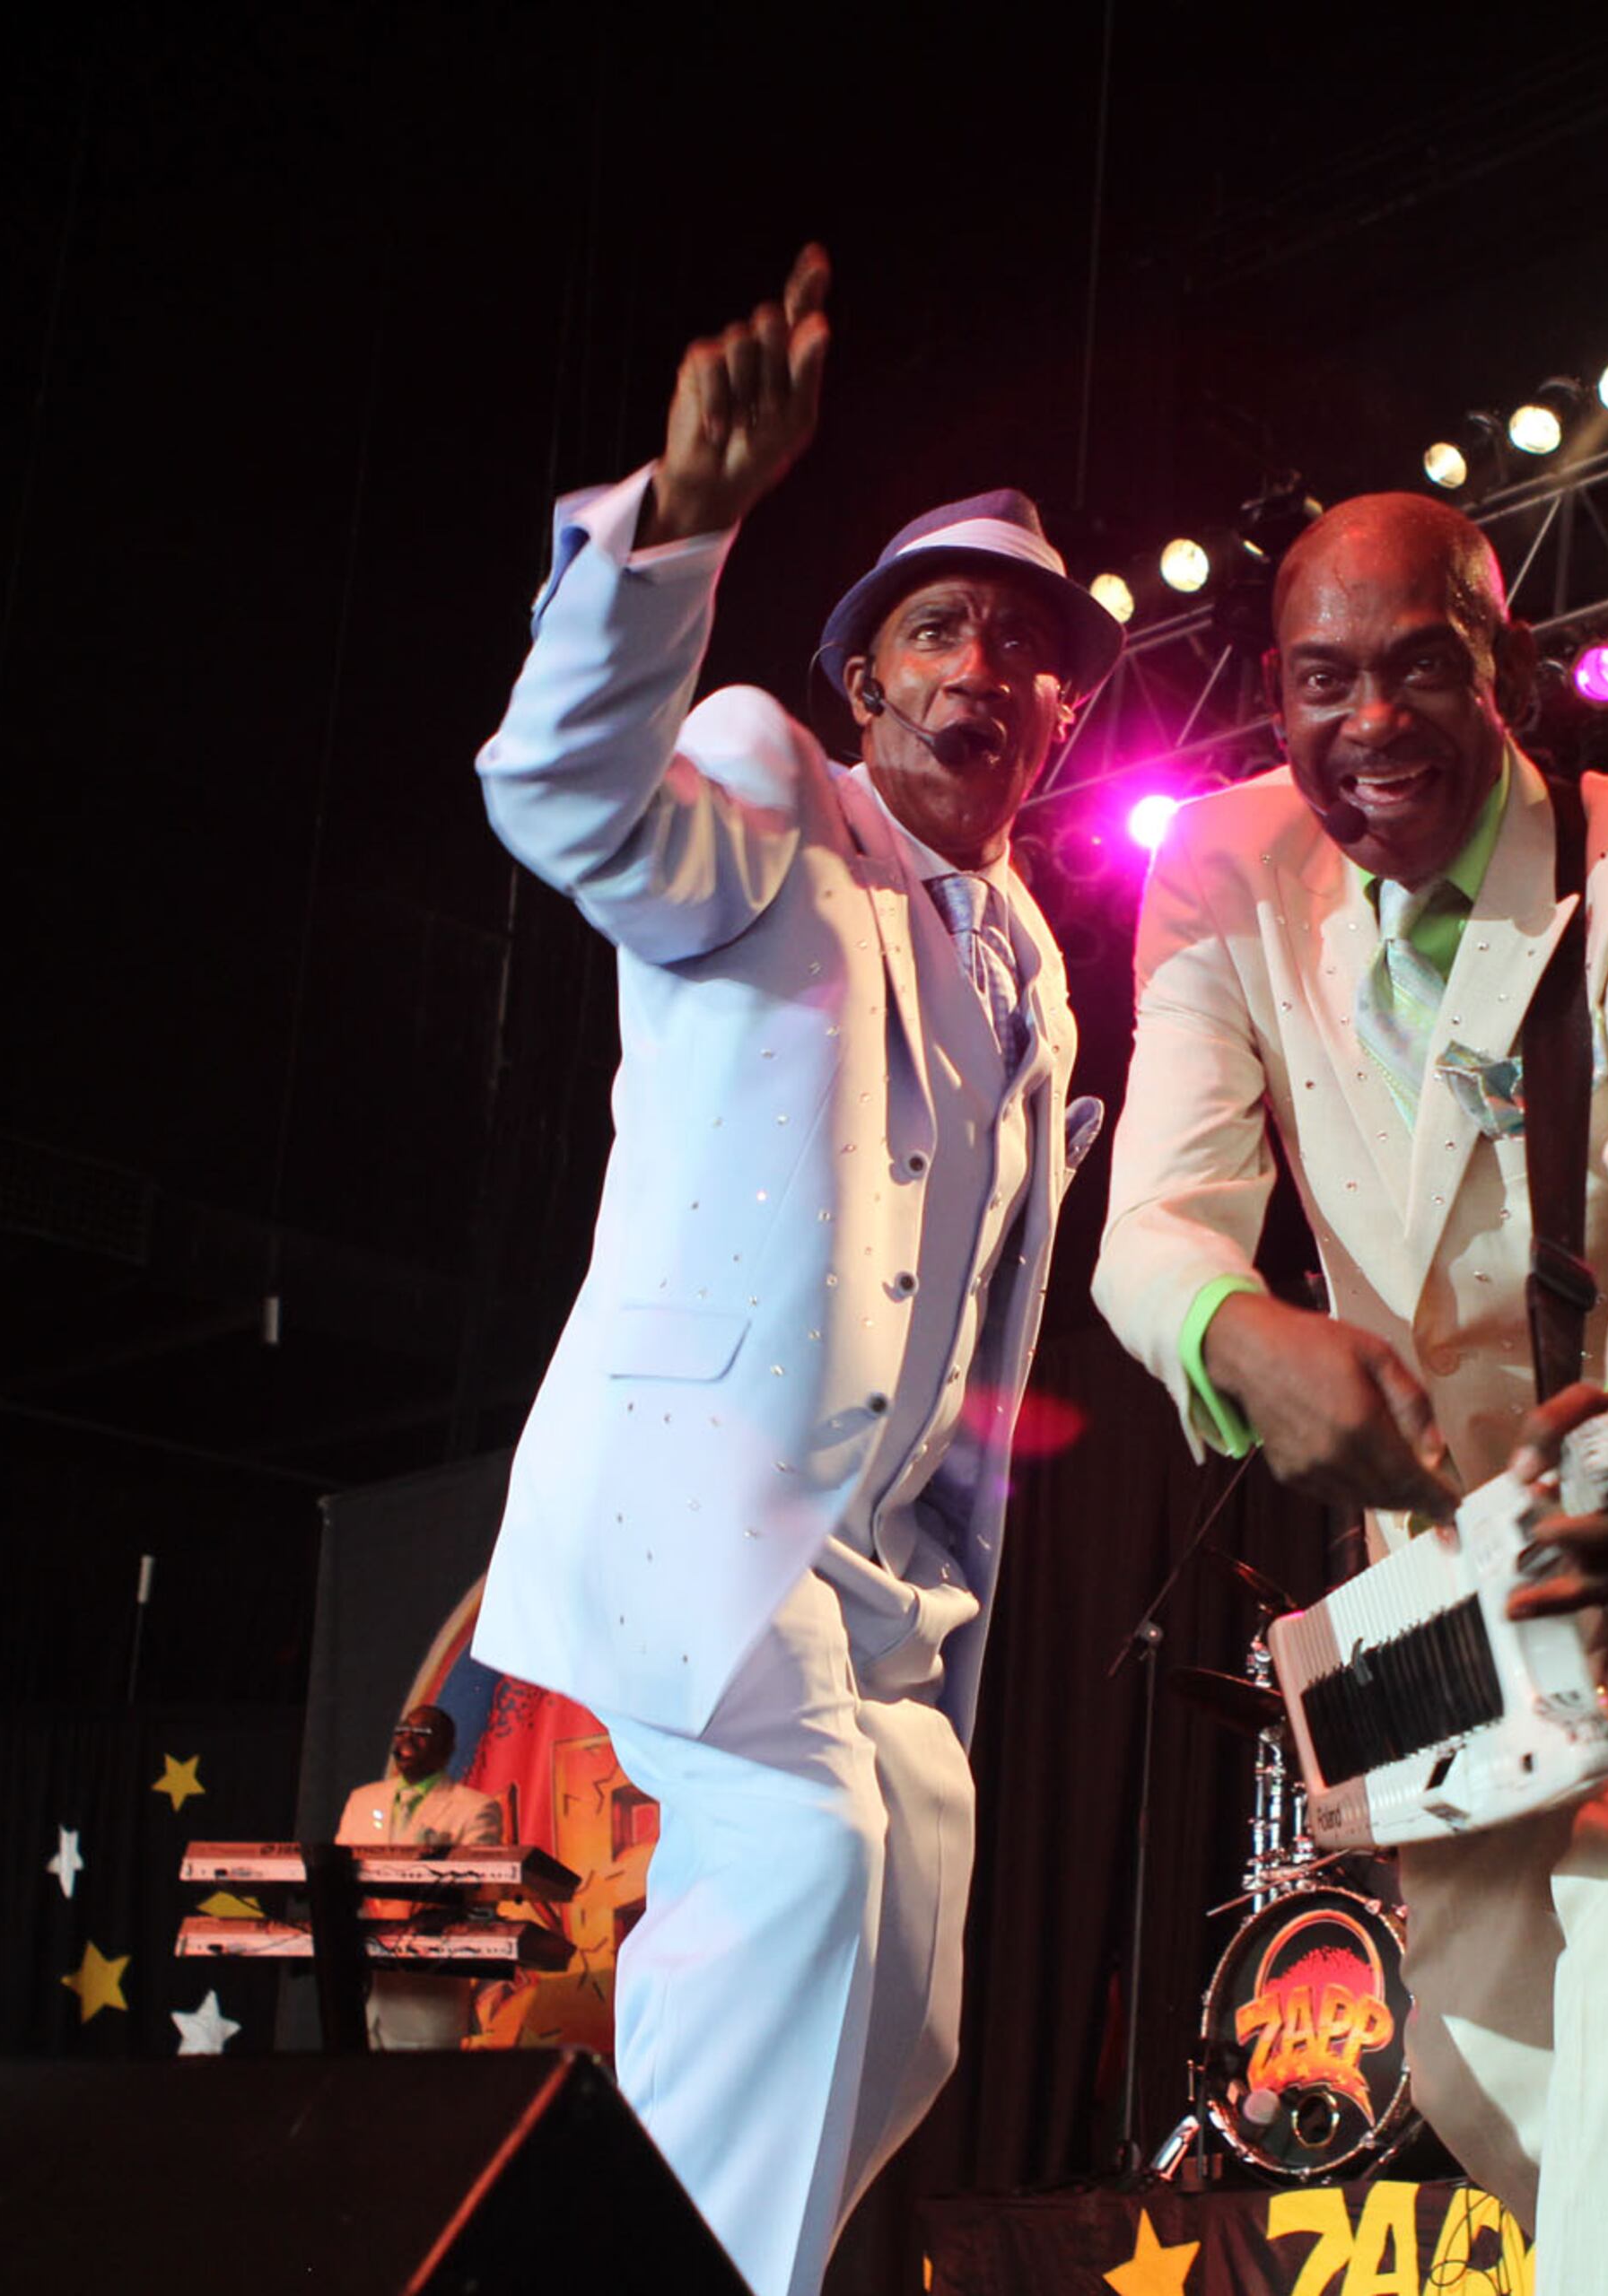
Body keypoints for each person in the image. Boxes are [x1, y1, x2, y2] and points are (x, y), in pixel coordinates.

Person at [1093, 491, 1608, 2294]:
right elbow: (1151, 1224)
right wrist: (1233, 1329)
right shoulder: (1215, 875)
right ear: (1272, 700)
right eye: (1321, 683)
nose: (1370, 726)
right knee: (1483, 2042)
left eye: (1418, 667)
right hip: (1447, 1541)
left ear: (1506, 665)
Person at [461, 245, 1122, 2296]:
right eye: (942, 633)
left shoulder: (1039, 970)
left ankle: (622, 2247)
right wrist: (681, 521)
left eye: (1029, 653)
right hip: (711, 1499)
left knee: (902, 1965)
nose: (987, 676)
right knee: (814, 1870)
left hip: (890, 1566)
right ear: (863, 679)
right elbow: (562, 789)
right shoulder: (766, 788)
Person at [335, 1706, 508, 2050]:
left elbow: (481, 1891)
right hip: (363, 1993)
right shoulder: (362, 1800)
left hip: (426, 2000)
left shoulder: (474, 1808)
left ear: (447, 1748)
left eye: (422, 1733)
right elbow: (339, 1881)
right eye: (402, 1730)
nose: (407, 1739)